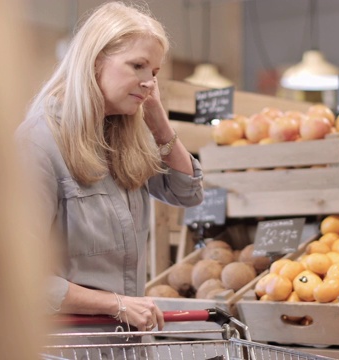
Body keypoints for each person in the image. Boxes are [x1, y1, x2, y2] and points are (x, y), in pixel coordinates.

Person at [16, 0, 203, 339]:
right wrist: (113, 303)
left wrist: (158, 120)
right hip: (70, 346)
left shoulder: (123, 137)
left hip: (126, 343)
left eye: (155, 73)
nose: (149, 83)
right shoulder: (38, 143)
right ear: (96, 60)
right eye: (138, 66)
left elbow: (187, 191)